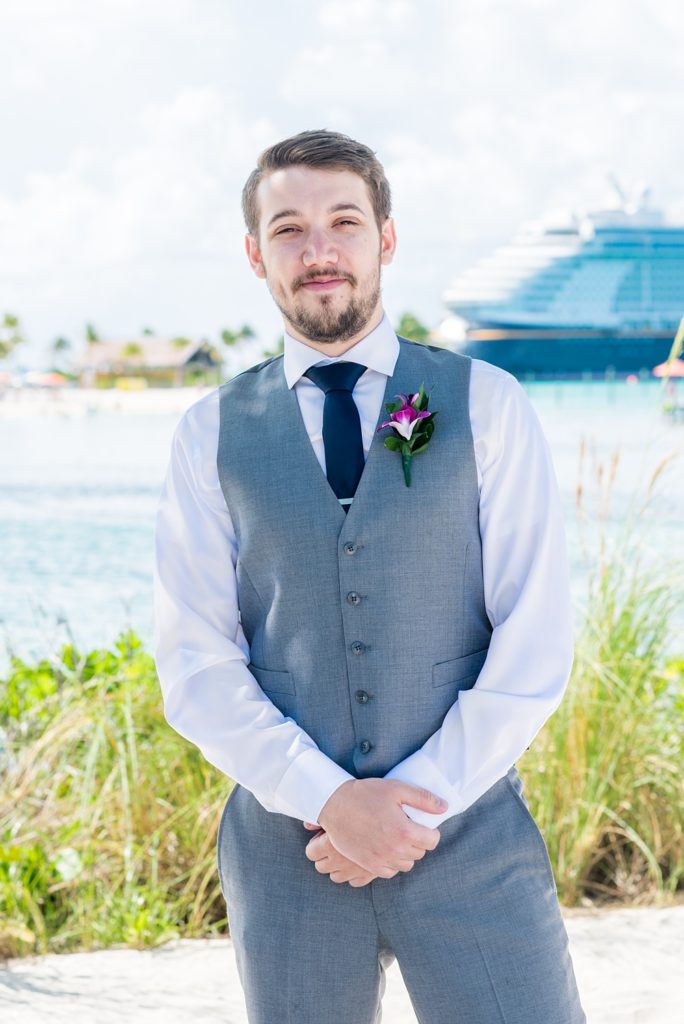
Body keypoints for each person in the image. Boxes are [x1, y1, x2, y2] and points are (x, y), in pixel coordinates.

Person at [152, 128, 587, 1023]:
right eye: (288, 229)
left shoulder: (487, 404)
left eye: (343, 221)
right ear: (254, 254)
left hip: (470, 840)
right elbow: (196, 666)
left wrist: (408, 811)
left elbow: (534, 637)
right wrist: (330, 801)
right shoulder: (208, 433)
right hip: (289, 855)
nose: (319, 251)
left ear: (385, 237)